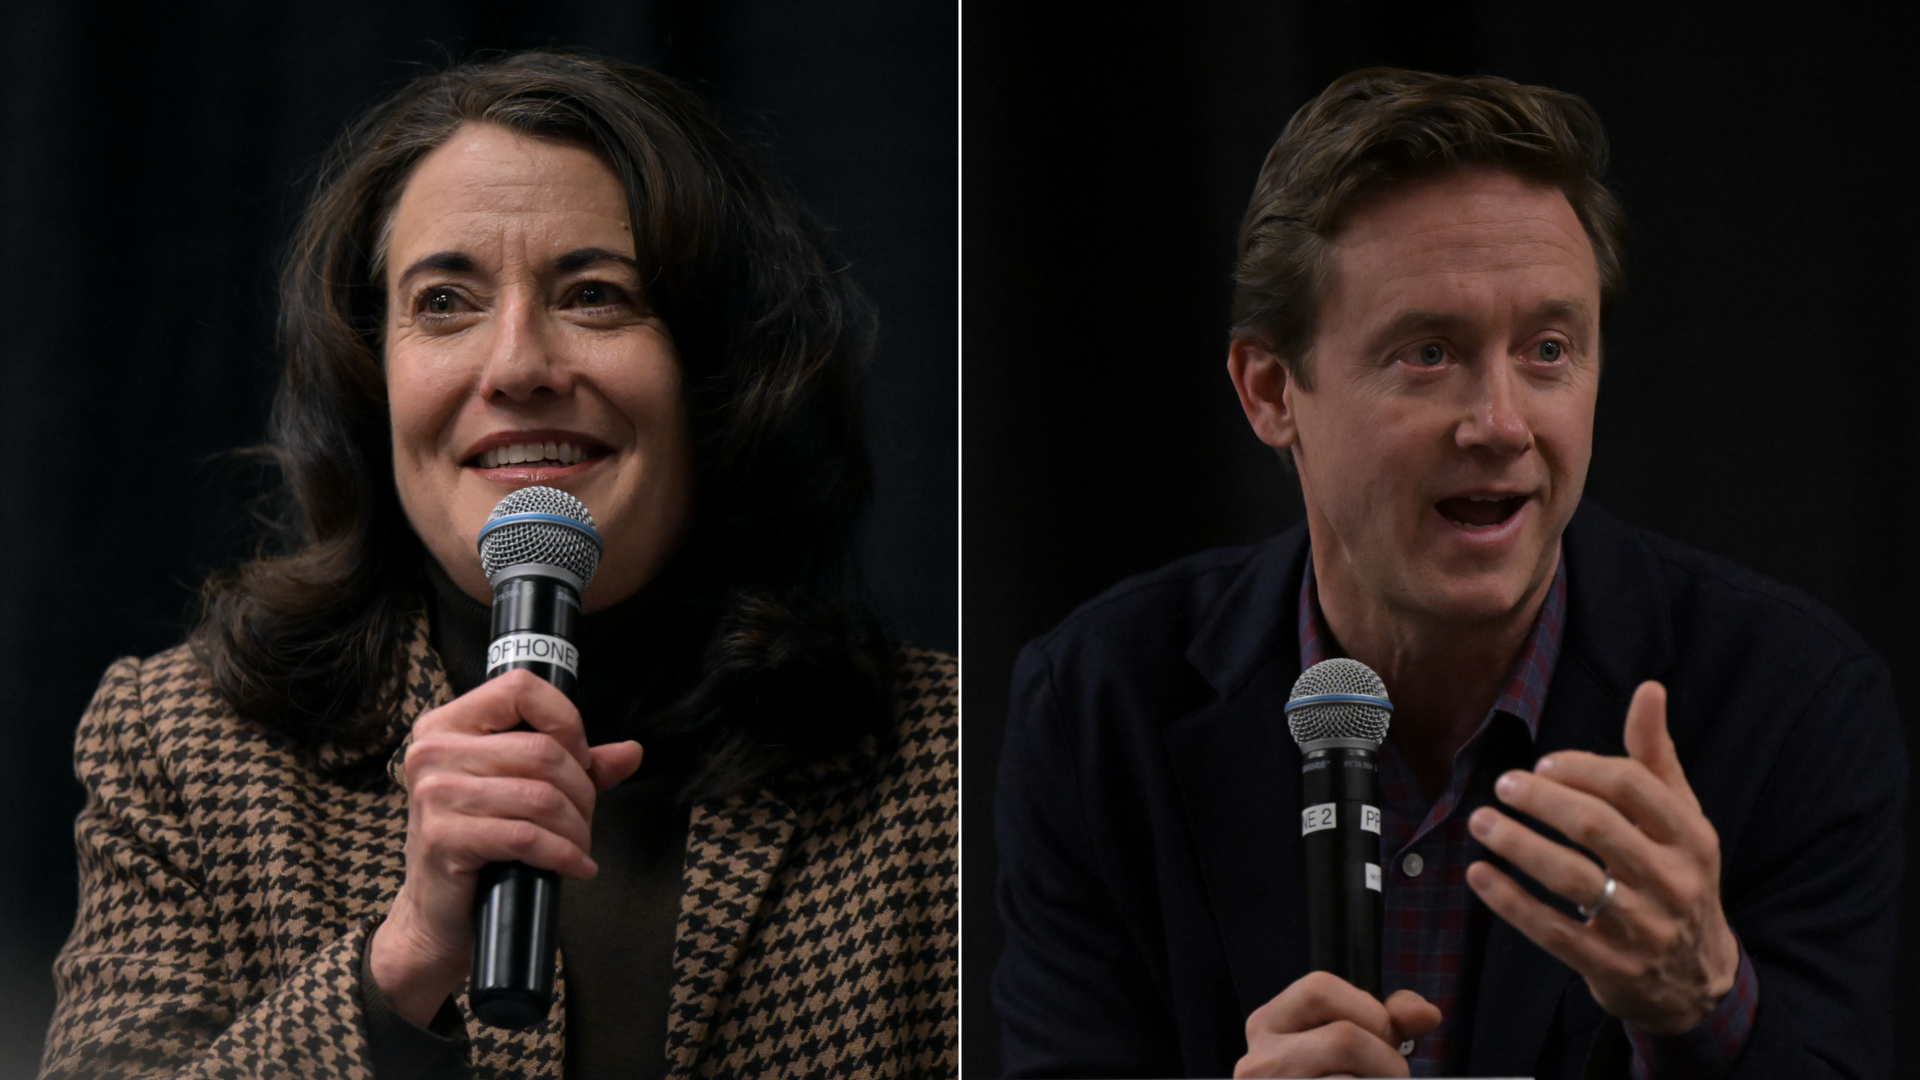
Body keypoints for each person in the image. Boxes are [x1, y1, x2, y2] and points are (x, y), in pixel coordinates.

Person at [41, 52, 955, 1079]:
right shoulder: (181, 748)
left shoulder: (946, 766)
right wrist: (400, 967)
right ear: (369, 377)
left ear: (724, 370)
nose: (517, 365)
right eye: (443, 304)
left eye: (597, 295)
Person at [993, 68, 1901, 1079]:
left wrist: (1706, 998)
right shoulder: (1095, 710)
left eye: (1550, 350)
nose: (1504, 424)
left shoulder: (1792, 702)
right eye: (1429, 353)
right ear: (1269, 391)